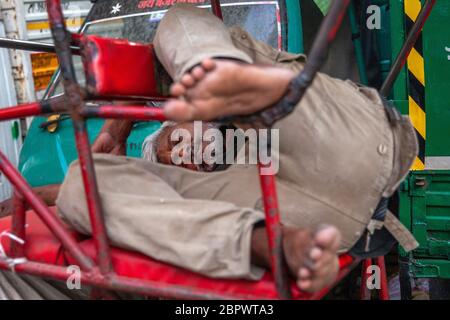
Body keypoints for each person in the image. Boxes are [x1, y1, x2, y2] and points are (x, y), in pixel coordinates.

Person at [4, 4, 420, 293]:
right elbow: (79, 193)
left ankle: (218, 69)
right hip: (302, 216)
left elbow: (180, 45)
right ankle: (263, 244)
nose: (182, 151)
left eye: (176, 139)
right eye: (172, 152)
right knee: (83, 189)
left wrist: (126, 116)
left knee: (181, 18)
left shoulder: (233, 89)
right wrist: (33, 194)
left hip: (337, 138)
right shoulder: (174, 169)